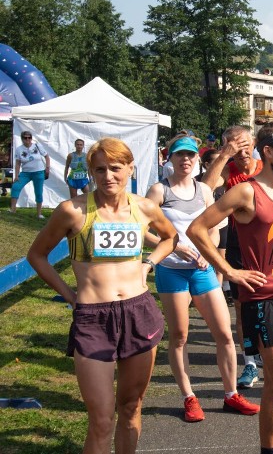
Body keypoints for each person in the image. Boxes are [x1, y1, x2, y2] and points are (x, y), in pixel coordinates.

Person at [26, 137, 179, 453]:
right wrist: (69, 294)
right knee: (101, 421)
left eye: (115, 168)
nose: (108, 176)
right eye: (100, 170)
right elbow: (37, 255)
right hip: (94, 319)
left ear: (130, 169)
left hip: (138, 312)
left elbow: (170, 238)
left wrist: (148, 264)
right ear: (91, 173)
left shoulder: (144, 207)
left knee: (131, 408)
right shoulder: (72, 211)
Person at [188, 123, 273, 454]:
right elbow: (197, 228)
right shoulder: (246, 191)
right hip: (261, 299)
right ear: (268, 151)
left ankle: (271, 443)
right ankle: (268, 450)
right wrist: (229, 270)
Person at [146, 135, 259, 422]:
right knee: (180, 336)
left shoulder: (205, 191)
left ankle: (231, 394)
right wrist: (173, 245)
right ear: (169, 159)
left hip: (202, 270)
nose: (185, 160)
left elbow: (214, 230)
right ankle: (189, 397)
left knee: (224, 334)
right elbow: (141, 229)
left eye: (190, 156)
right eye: (179, 155)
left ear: (198, 159)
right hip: (171, 270)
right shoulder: (159, 191)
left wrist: (207, 256)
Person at [200, 126, 269, 388]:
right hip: (240, 243)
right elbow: (206, 188)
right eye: (234, 145)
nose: (242, 150)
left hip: (268, 241)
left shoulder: (266, 166)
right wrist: (223, 156)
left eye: (245, 143)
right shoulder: (228, 170)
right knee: (242, 306)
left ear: (253, 143)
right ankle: (250, 361)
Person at [10, 130, 50, 218]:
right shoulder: (19, 149)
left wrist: (47, 168)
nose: (27, 139)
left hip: (38, 172)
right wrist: (16, 176)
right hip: (25, 173)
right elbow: (17, 163)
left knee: (38, 192)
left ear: (31, 138)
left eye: (29, 137)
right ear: (22, 139)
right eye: (25, 138)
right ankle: (13, 209)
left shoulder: (37, 145)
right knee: (15, 187)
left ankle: (39, 213)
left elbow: (46, 156)